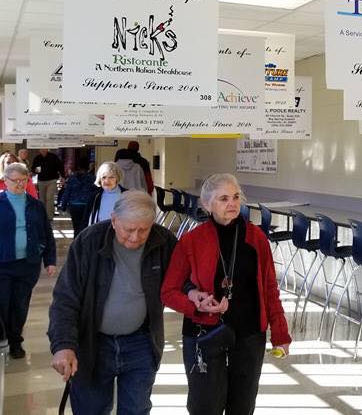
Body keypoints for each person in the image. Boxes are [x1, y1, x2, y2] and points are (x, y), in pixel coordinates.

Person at [161, 173, 290, 415]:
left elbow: (270, 288)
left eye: (235, 197)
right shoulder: (192, 241)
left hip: (249, 332)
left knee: (242, 405)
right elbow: (168, 291)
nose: (232, 204)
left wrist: (280, 333)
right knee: (205, 405)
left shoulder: (257, 238)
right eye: (223, 198)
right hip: (205, 332)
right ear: (207, 204)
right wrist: (196, 304)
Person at [47, 191, 177, 414]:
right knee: (91, 409)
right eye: (129, 230)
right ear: (114, 220)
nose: (135, 237)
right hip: (93, 344)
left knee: (136, 410)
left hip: (141, 343)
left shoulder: (164, 241)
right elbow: (65, 298)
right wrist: (64, 346)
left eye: (143, 230)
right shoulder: (89, 241)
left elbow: (181, 282)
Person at [0, 162, 57, 359]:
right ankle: (3, 336)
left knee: (20, 304)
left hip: (28, 264)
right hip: (3, 264)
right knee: (2, 303)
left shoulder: (36, 205)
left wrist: (50, 260)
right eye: (15, 181)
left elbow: (47, 234)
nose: (19, 184)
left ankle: (15, 341)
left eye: (23, 180)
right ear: (5, 181)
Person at [81, 162, 127, 232]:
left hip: (121, 234)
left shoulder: (127, 195)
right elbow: (85, 221)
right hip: (99, 234)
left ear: (117, 178)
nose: (107, 181)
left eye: (111, 177)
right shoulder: (94, 197)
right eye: (104, 177)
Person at [58, 161, 97, 235]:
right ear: (88, 167)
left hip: (74, 205)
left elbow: (67, 192)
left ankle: (77, 243)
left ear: (78, 167)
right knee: (86, 226)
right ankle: (84, 242)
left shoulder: (72, 178)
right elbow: (95, 192)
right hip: (87, 205)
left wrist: (63, 206)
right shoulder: (92, 178)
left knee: (76, 227)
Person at [31, 148, 64, 221]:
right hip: (41, 180)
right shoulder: (37, 158)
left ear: (47, 149)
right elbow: (33, 169)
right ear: (39, 150)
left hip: (52, 180)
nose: (42, 150)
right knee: (42, 199)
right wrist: (35, 170)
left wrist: (63, 176)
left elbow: (60, 167)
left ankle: (49, 216)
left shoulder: (54, 156)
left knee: (49, 198)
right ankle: (43, 215)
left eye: (44, 149)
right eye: (41, 149)